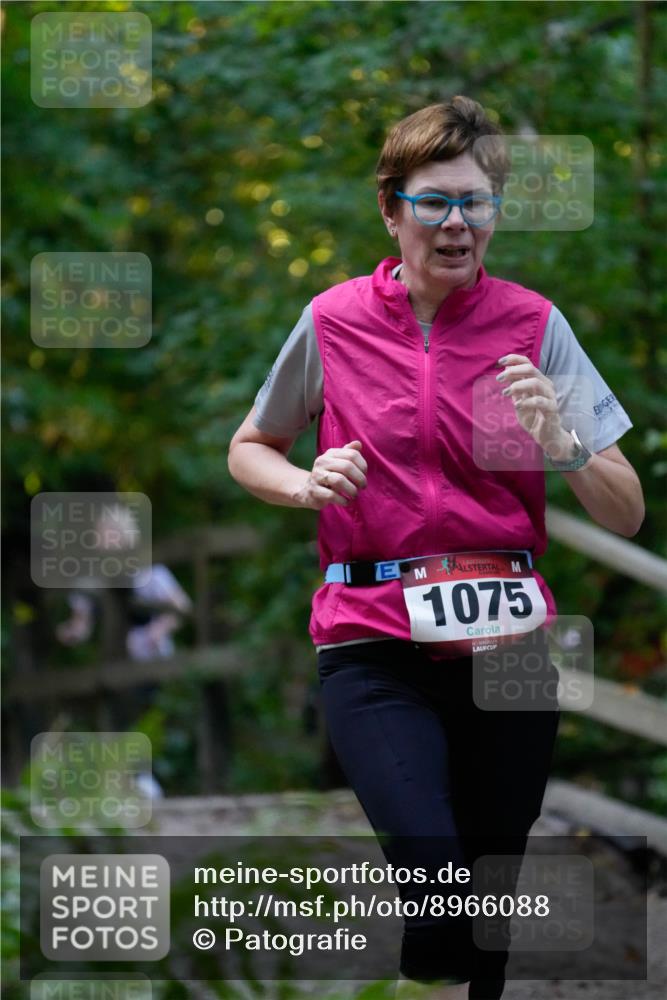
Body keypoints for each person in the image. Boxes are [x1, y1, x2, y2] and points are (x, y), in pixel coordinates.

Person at [228, 97, 644, 999]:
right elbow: (248, 446)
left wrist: (563, 443)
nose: (458, 222)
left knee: (491, 880)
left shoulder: (535, 327)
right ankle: (436, 941)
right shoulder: (333, 321)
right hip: (371, 633)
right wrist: (302, 485)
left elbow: (626, 513)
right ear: (391, 210)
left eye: (476, 202)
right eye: (434, 202)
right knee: (431, 860)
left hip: (509, 643)